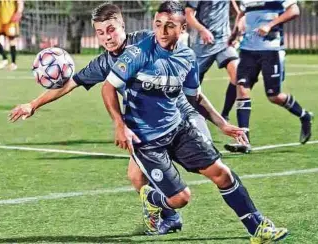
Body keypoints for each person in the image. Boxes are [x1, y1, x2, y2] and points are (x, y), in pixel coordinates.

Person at [9, 2, 246, 235]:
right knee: (135, 176)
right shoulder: (104, 62)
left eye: (111, 30)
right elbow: (71, 83)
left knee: (214, 170)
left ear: (123, 26)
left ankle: (245, 217)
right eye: (100, 33)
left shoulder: (148, 41)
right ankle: (171, 217)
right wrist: (33, 104)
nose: (107, 38)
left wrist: (220, 122)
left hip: (184, 118)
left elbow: (192, 87)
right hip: (148, 127)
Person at [101, 1, 288, 243]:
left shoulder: (187, 57)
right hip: (146, 141)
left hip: (178, 130)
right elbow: (108, 88)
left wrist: (222, 124)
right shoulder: (138, 53)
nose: (162, 31)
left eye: (169, 26)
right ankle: (152, 199)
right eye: (158, 24)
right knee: (181, 199)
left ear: (182, 28)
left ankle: (258, 228)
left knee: (223, 174)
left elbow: (195, 96)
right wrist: (119, 124)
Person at [225, 0, 313, 154]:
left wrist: (270, 25)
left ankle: (304, 115)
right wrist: (234, 33)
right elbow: (242, 14)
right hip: (247, 50)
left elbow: (294, 11)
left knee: (273, 96)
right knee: (242, 88)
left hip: (271, 50)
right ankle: (244, 140)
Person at [185, 0, 240, 121]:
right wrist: (202, 30)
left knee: (237, 75)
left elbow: (238, 12)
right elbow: (188, 15)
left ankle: (224, 115)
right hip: (202, 44)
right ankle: (191, 115)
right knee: (191, 85)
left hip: (224, 42)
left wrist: (236, 33)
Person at [0, 0, 24, 71]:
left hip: (11, 19)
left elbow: (20, 2)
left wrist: (19, 13)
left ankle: (13, 63)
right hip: (0, 19)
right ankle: (4, 59)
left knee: (11, 40)